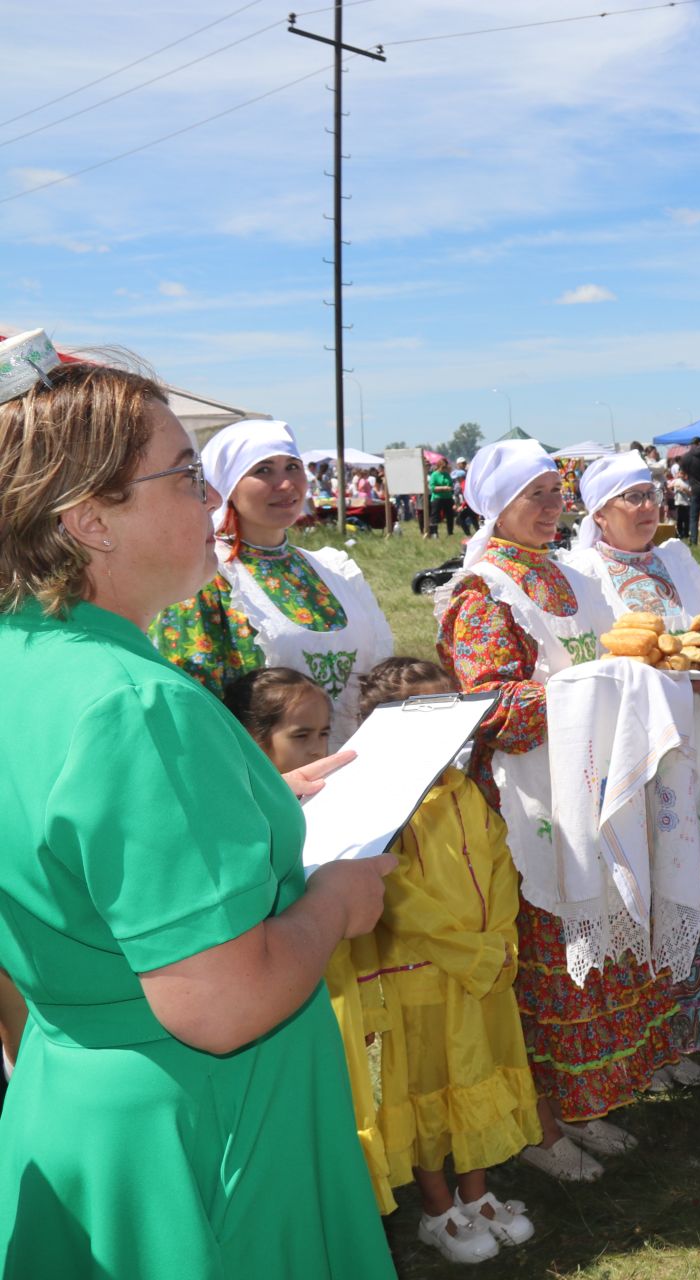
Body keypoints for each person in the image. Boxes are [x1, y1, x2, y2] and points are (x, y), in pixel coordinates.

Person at [0, 337, 396, 1276]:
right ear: (93, 519)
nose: (213, 501)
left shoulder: (25, 660)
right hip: (206, 1127)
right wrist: (334, 901)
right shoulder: (135, 701)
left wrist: (260, 804)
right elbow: (222, 1004)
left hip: (76, 1104)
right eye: (185, 477)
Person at [435, 439, 673, 1182]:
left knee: (598, 951)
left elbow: (617, 659)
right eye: (533, 493)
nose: (551, 505)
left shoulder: (571, 575)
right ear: (494, 504)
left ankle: (580, 1103)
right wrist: (598, 689)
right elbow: (493, 708)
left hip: (593, 782)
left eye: (555, 491)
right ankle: (538, 1126)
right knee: (545, 964)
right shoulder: (482, 591)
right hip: (532, 797)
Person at [559, 453, 700, 1084]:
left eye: (650, 492)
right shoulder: (581, 572)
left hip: (699, 735)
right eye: (630, 496)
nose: (647, 504)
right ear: (598, 511)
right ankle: (658, 1034)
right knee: (649, 875)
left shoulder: (676, 559)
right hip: (636, 747)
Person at [360, 657, 544, 1265]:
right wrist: (473, 953)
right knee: (427, 1088)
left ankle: (477, 1194)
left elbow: (499, 869)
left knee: (474, 1079)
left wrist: (498, 944)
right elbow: (396, 897)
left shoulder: (464, 790)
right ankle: (437, 1209)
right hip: (422, 978)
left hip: (480, 972)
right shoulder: (384, 800)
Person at [222, 667, 403, 1220]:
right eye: (300, 737)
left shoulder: (327, 806)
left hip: (325, 992)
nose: (318, 749)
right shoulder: (238, 820)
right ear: (253, 741)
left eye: (325, 734)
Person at [151, 418, 395, 752]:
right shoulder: (208, 577)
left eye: (292, 466)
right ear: (228, 485)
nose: (285, 484)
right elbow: (193, 704)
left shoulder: (334, 569)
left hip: (357, 770)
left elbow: (380, 672)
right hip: (263, 787)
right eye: (263, 470)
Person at [428, 456, 457, 538]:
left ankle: (450, 533)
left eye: (446, 467)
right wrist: (444, 488)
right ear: (439, 466)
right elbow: (432, 488)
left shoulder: (447, 474)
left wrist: (448, 488)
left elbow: (451, 485)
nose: (444, 469)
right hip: (437, 498)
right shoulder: (434, 475)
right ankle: (434, 533)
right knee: (435, 516)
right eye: (443, 467)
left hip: (448, 498)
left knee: (450, 516)